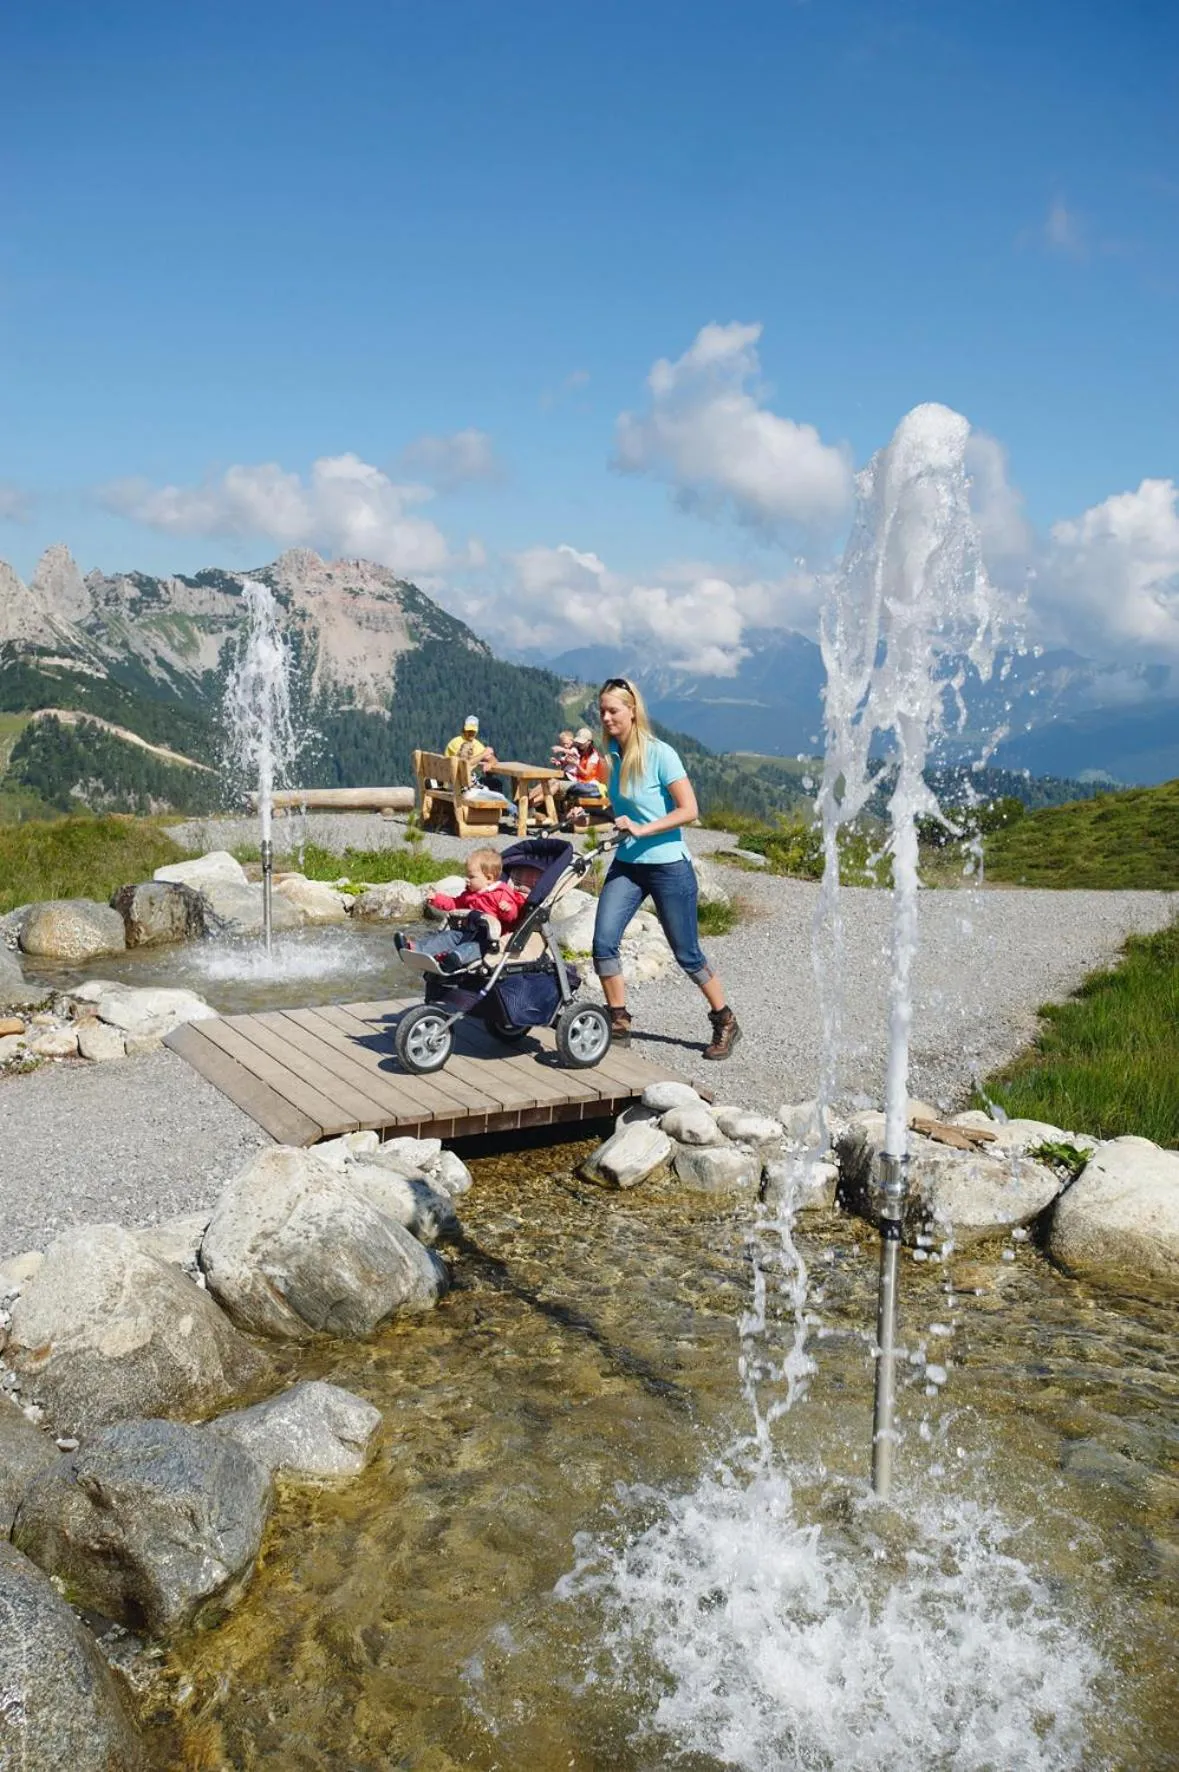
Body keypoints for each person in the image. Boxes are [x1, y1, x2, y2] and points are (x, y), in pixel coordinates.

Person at [571, 676, 740, 1060]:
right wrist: (592, 819)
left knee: (687, 953)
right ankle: (619, 1021)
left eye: (613, 710)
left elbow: (690, 811)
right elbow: (623, 813)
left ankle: (725, 1019)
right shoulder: (613, 753)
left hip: (668, 867)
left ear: (633, 711)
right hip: (628, 865)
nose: (606, 717)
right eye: (602, 711)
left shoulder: (661, 754)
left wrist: (642, 829)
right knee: (602, 942)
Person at [395, 847, 526, 970]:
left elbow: (513, 917)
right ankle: (416, 948)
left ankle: (454, 958)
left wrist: (507, 910)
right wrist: (437, 899)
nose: (467, 880)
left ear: (489, 878)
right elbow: (454, 903)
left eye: (471, 877)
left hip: (489, 939)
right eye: (466, 875)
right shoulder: (469, 894)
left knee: (472, 948)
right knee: (447, 936)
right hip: (467, 931)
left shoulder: (501, 894)